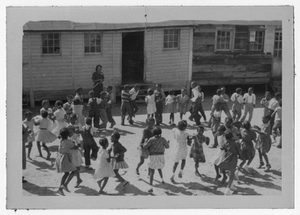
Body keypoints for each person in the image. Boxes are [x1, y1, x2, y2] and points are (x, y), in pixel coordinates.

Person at [143, 127, 170, 193]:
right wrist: (168, 142)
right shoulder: (163, 139)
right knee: (159, 168)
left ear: (153, 133)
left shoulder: (151, 139)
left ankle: (151, 187)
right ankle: (162, 179)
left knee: (152, 172)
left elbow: (145, 147)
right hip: (161, 156)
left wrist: (145, 141)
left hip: (153, 156)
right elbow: (167, 147)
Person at [55, 128, 77, 196]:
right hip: (65, 158)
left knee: (66, 173)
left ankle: (60, 189)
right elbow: (75, 147)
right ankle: (64, 185)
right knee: (74, 171)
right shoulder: (69, 142)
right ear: (67, 135)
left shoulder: (61, 140)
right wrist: (74, 143)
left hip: (60, 157)